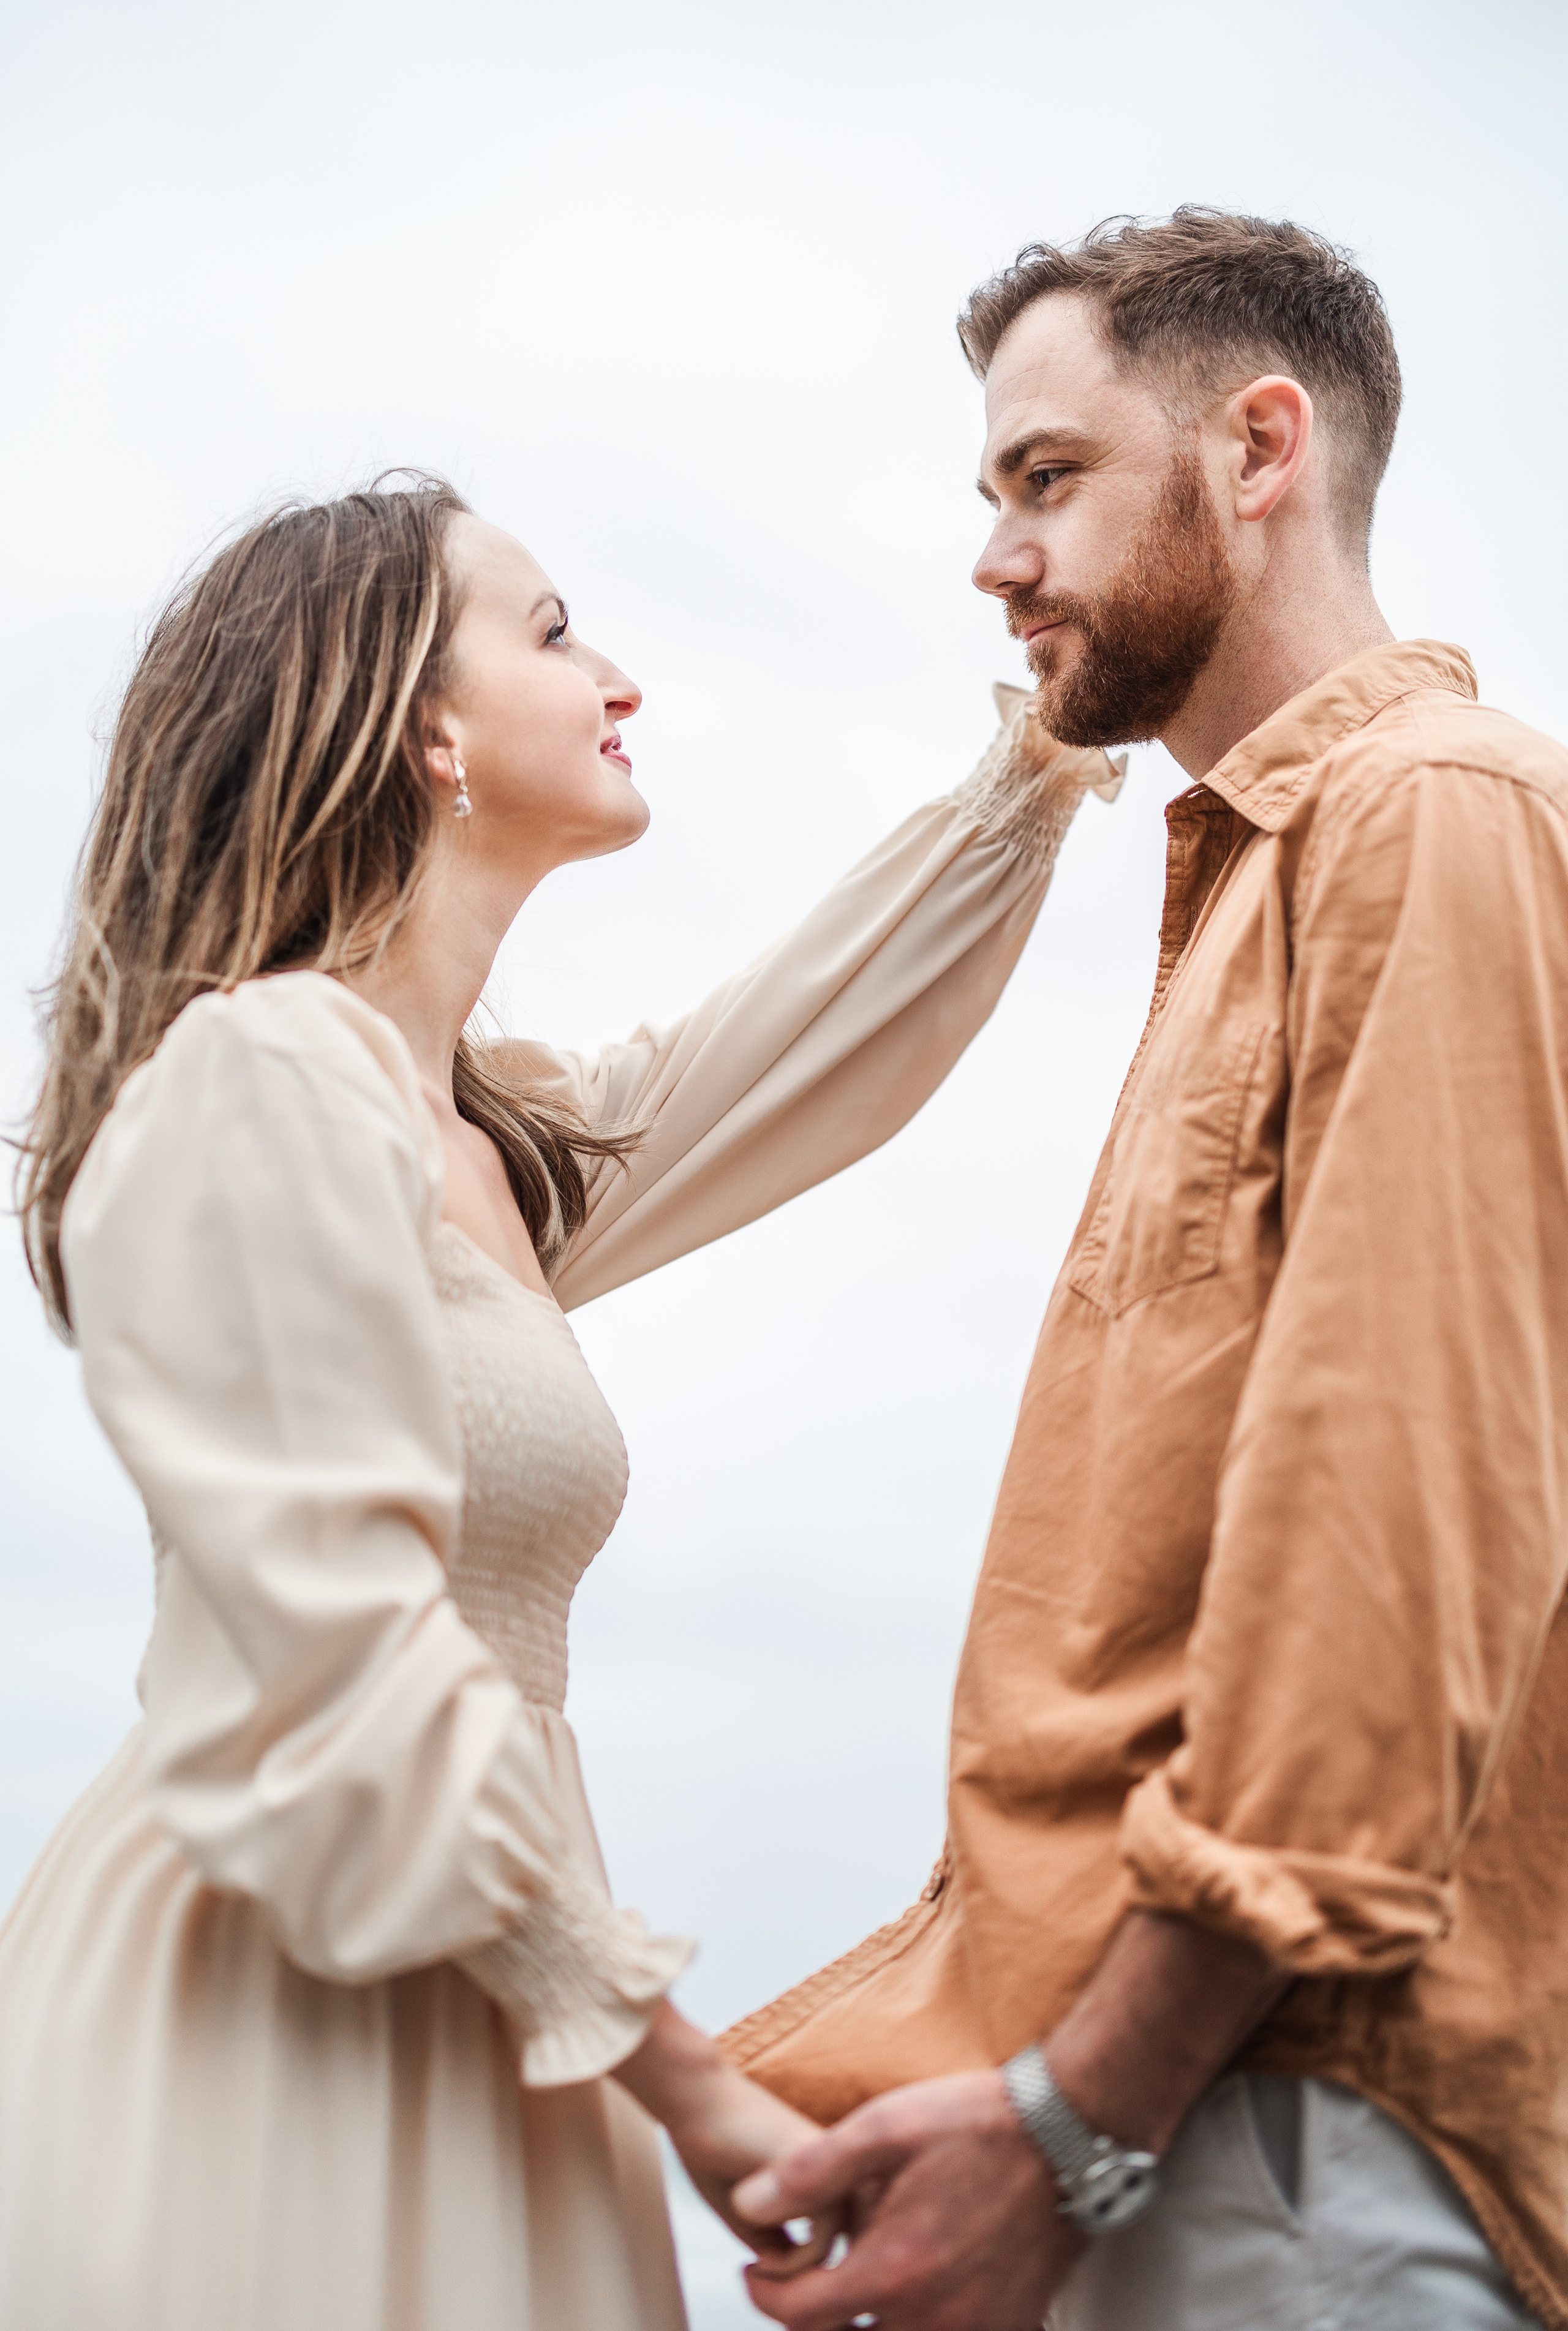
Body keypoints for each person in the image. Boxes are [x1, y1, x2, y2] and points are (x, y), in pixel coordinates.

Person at [0, 479, 1121, 2331]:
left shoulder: (486, 1146)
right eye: (549, 631)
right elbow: (340, 1644)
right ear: (423, 729)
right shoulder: (262, 1078)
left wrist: (1051, 759)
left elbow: (792, 1052)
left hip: (503, 2007)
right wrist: (683, 2078)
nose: (617, 675)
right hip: (273, 2010)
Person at [727, 209, 1568, 2331]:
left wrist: (1088, 2110)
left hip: (1306, 2129)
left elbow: (1403, 1530)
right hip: (1197, 2127)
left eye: (1048, 479)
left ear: (1260, 448)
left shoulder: (1434, 822)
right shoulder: (1248, 887)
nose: (997, 560)